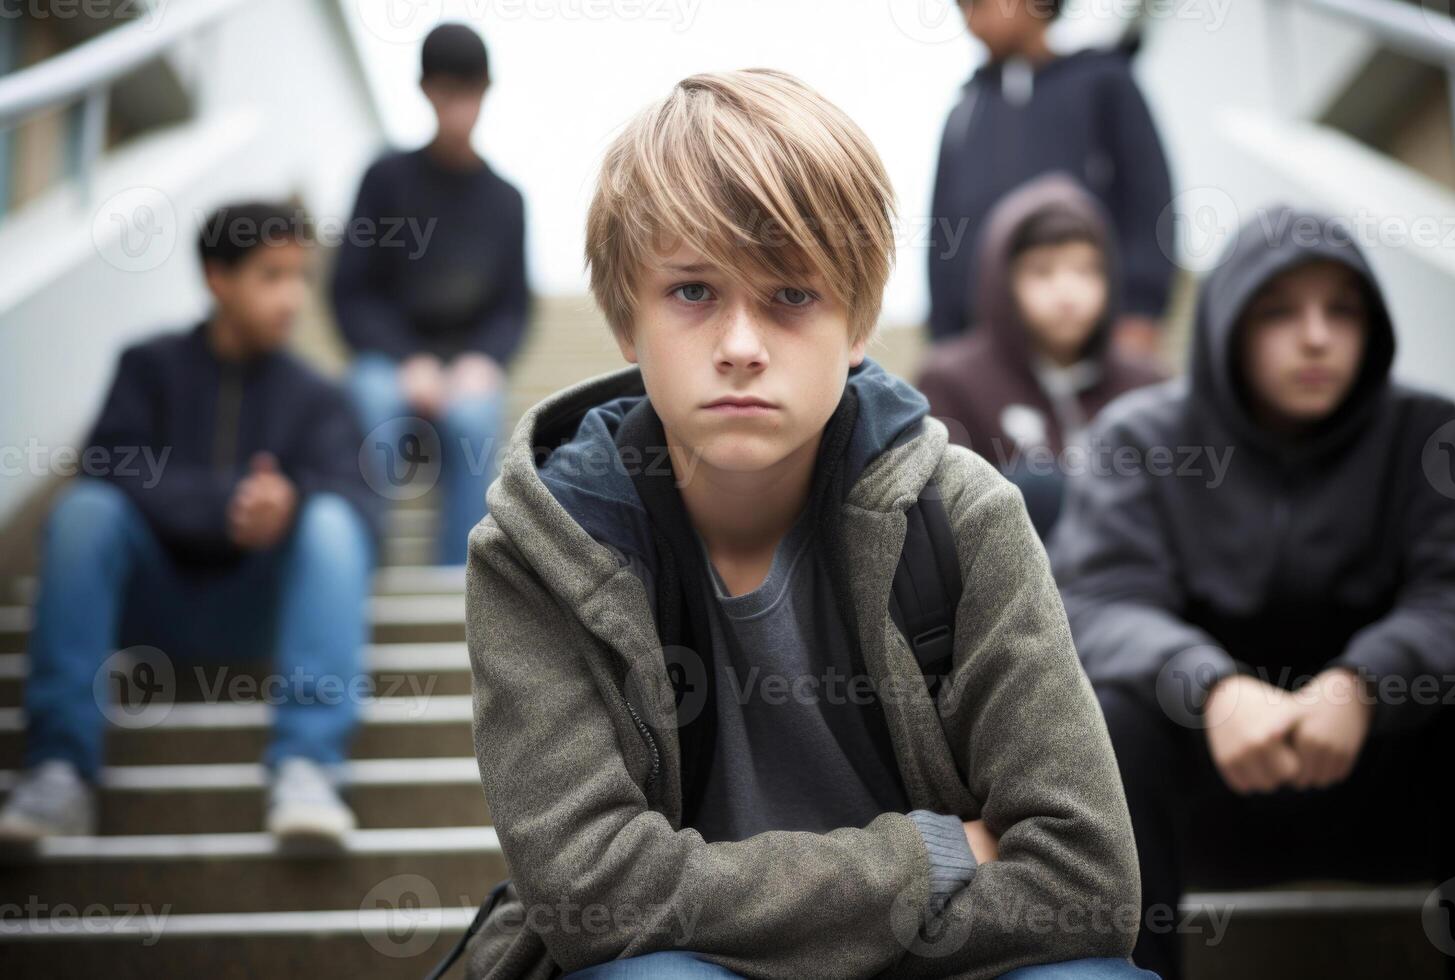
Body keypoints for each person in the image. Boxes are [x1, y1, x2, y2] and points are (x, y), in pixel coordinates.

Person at [461, 69, 1155, 980]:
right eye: (693, 291)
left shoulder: (964, 515)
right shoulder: (535, 554)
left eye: (792, 294)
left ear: (860, 321)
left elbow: (1089, 881)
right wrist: (930, 856)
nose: (742, 344)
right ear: (626, 318)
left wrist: (775, 922)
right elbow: (593, 899)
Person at [1049, 206, 1455, 979]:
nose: (1315, 336)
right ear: (1226, 326)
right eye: (1279, 310)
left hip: (1387, 778)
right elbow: (1096, 602)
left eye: (1341, 310)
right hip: (1202, 788)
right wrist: (1212, 690)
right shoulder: (1139, 438)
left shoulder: (1426, 431)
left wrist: (1366, 685)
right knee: (1105, 719)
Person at [0, 202, 381, 848]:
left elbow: (361, 505)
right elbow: (109, 466)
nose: (292, 298)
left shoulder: (318, 394)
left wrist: (287, 503)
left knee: (333, 524)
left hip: (260, 613)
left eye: (301, 277)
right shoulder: (149, 365)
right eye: (271, 275)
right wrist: (226, 509)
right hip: (151, 606)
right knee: (84, 513)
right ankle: (59, 770)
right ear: (217, 279)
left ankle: (308, 766)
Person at [333, 22, 530, 567]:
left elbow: (513, 306)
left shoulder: (506, 200)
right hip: (390, 361)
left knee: (474, 421)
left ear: (485, 91)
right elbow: (349, 292)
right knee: (371, 401)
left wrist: (483, 359)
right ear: (426, 90)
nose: (457, 105)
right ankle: (361, 566)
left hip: (465, 363)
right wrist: (406, 360)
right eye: (446, 90)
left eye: (468, 90)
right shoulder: (384, 179)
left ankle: (460, 584)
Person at [918, 172, 1164, 537]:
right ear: (1002, 281)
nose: (1067, 293)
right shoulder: (951, 382)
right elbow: (940, 521)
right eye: (1042, 272)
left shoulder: (1147, 385)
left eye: (1085, 270)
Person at [928, 0, 1175, 363]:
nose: (971, 18)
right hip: (986, 348)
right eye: (963, 7)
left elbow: (1149, 200)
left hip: (1092, 334)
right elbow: (943, 230)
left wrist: (1140, 311)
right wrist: (945, 337)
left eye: (980, 4)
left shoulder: (1104, 83)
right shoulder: (967, 109)